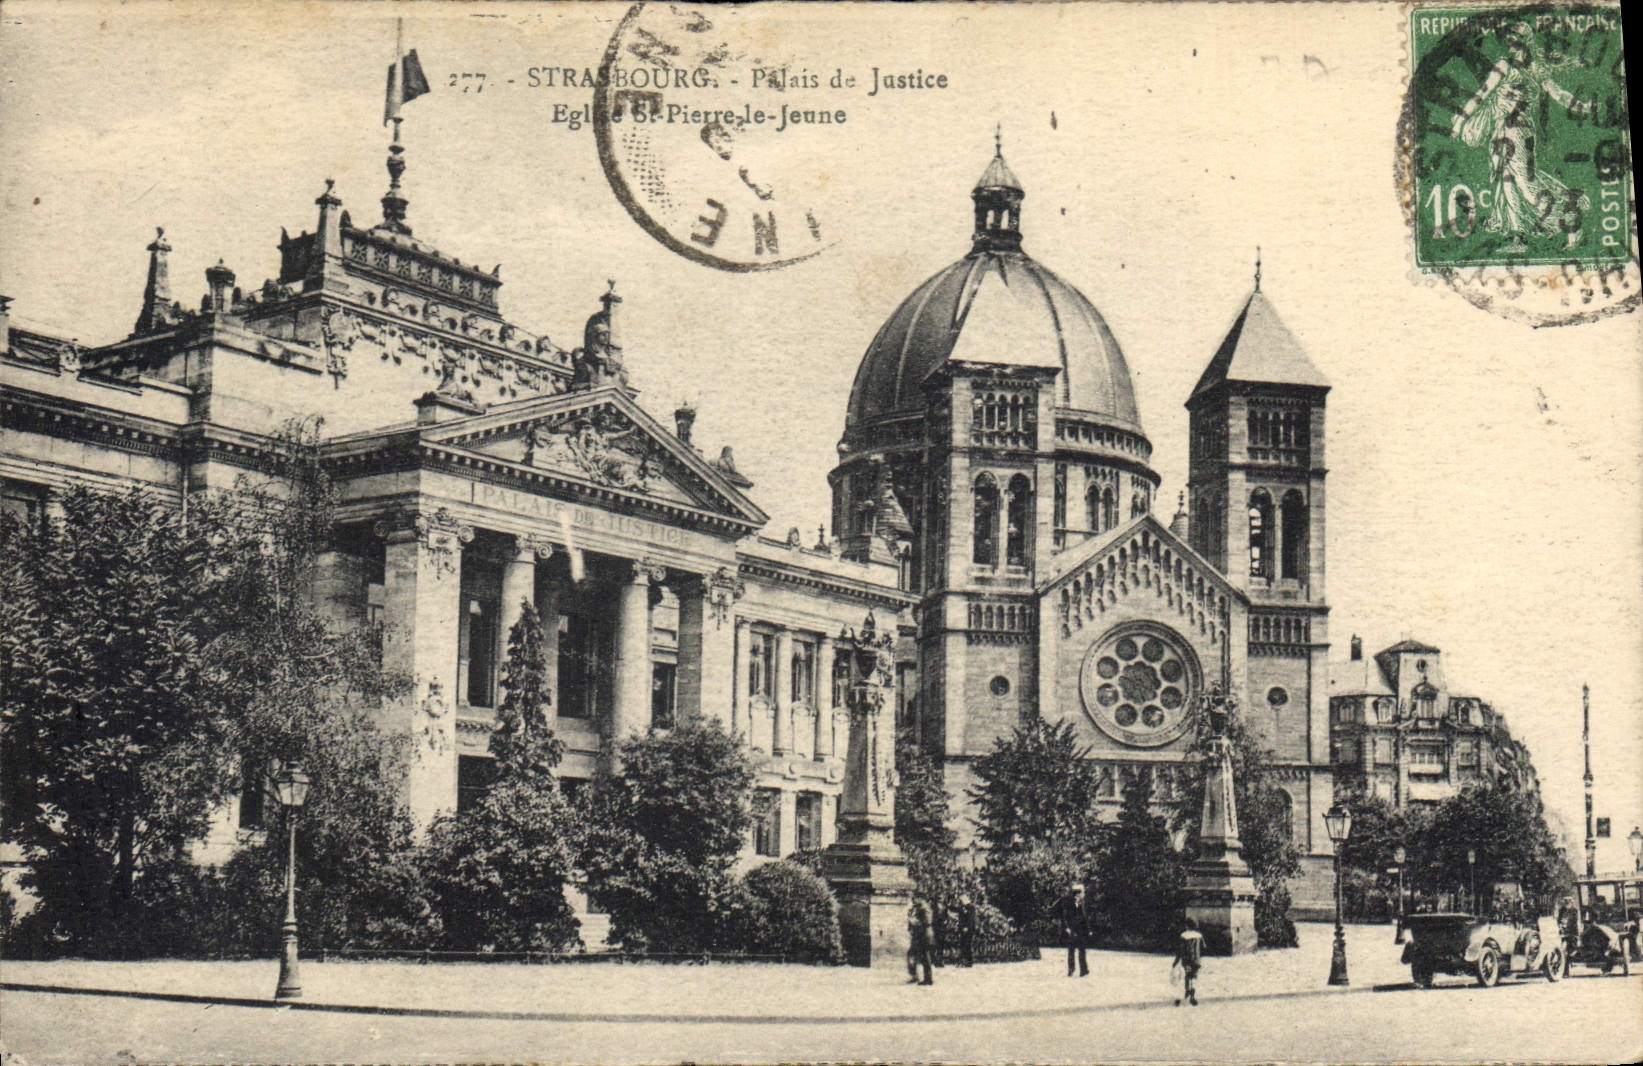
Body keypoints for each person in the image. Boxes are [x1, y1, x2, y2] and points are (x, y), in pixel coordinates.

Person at [1051, 882, 1091, 977]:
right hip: (1072, 929)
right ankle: (1071, 970)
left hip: (1081, 930)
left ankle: (1083, 970)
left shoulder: (1081, 903)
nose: (1083, 895)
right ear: (1078, 893)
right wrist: (1067, 928)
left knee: (1082, 950)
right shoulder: (1068, 903)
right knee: (1071, 950)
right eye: (1082, 893)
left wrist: (1088, 930)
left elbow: (1084, 917)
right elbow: (1065, 916)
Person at [1173, 917, 1205, 1006]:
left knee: (1187, 976)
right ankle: (1193, 992)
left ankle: (1188, 992)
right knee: (1193, 976)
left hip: (1187, 960)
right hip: (1197, 960)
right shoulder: (1199, 936)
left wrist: (1176, 961)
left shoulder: (1184, 935)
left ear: (1187, 926)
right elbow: (1204, 947)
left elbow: (1180, 949)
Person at [907, 894, 934, 986]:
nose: (914, 900)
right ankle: (919, 977)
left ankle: (928, 979)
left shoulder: (925, 908)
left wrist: (915, 922)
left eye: (915, 898)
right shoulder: (918, 907)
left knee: (926, 957)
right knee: (920, 956)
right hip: (920, 935)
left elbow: (927, 921)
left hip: (925, 935)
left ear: (920, 898)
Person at [956, 892, 978, 968]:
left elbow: (971, 919)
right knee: (963, 945)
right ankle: (963, 961)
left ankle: (969, 962)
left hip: (969, 930)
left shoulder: (971, 907)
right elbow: (960, 919)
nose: (960, 902)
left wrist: (967, 927)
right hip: (963, 929)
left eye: (961, 901)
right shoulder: (962, 907)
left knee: (968, 945)